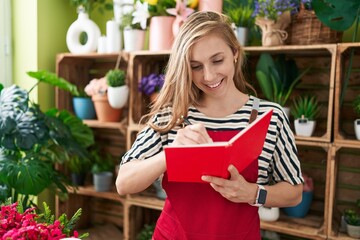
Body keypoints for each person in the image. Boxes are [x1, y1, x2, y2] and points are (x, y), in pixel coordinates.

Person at [116, 11, 304, 240]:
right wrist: (170, 154)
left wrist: (253, 192)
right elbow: (124, 182)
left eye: (217, 60)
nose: (209, 75)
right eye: (196, 66)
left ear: (234, 52)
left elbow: (294, 192)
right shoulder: (173, 115)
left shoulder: (270, 117)